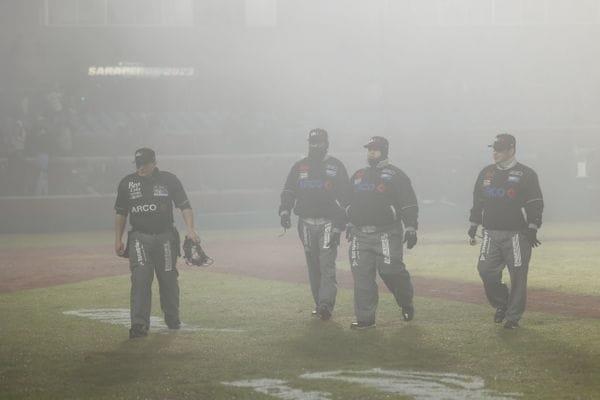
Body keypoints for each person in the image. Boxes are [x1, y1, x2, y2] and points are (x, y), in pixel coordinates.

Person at [114, 148, 201, 338]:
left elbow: (184, 206)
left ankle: (172, 317)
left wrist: (191, 229)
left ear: (154, 162)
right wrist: (118, 239)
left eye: (144, 164)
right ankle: (139, 325)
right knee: (140, 279)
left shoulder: (169, 179)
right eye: (138, 164)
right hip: (139, 237)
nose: (141, 168)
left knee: (169, 279)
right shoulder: (127, 183)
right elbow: (121, 212)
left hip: (166, 238)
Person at [468, 133, 544, 329]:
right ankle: (502, 303)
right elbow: (478, 200)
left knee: (518, 276)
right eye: (494, 149)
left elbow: (535, 202)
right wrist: (474, 223)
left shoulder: (527, 174)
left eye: (500, 149)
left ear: (511, 150)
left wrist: (533, 226)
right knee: (485, 271)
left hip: (516, 234)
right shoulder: (486, 173)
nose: (495, 153)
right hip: (490, 233)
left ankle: (513, 317)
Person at [346, 136, 419, 329]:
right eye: (369, 149)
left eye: (375, 149)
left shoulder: (396, 175)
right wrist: (348, 221)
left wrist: (411, 227)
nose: (371, 152)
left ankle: (405, 301)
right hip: (360, 234)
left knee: (390, 270)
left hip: (386, 233)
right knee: (362, 276)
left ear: (384, 151)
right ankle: (365, 319)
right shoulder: (358, 175)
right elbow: (347, 201)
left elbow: (408, 202)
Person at [278, 129, 350, 320]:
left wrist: (339, 225)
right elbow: (289, 190)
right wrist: (285, 210)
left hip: (328, 222)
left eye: (318, 142)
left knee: (326, 264)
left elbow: (346, 198)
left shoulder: (336, 166)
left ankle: (326, 304)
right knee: (313, 265)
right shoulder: (299, 166)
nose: (314, 146)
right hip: (305, 223)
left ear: (326, 143)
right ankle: (319, 303)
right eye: (312, 142)